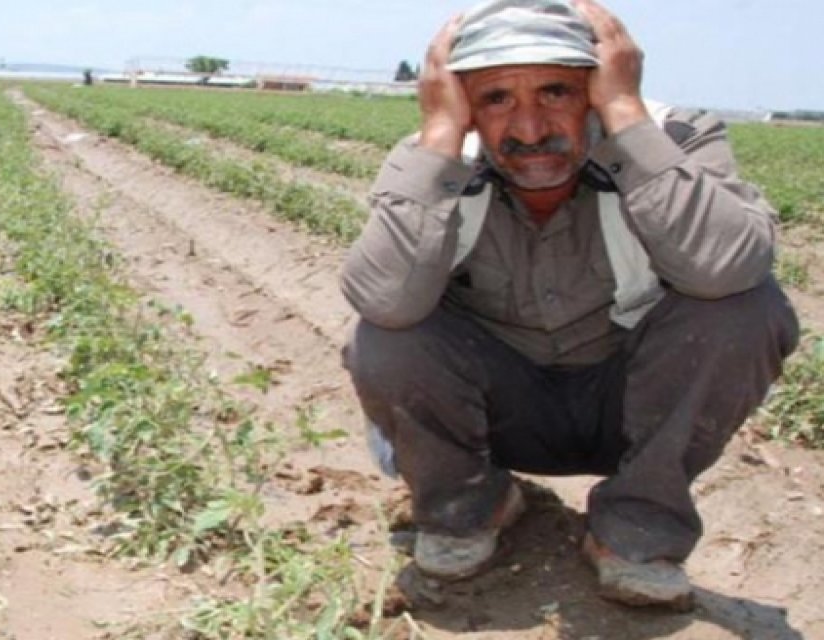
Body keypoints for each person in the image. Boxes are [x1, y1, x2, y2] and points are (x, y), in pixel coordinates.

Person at [341, 0, 799, 609]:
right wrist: (442, 138)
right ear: (460, 104)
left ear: (601, 85)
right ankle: (468, 507)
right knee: (387, 335)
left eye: (557, 91)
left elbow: (728, 268)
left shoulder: (675, 140)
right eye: (496, 98)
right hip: (497, 413)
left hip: (631, 408)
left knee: (746, 309)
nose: (530, 129)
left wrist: (628, 120)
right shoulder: (435, 160)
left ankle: (636, 531)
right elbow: (383, 301)